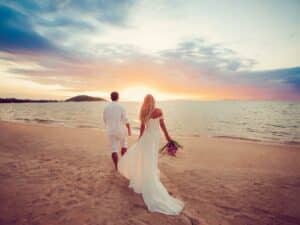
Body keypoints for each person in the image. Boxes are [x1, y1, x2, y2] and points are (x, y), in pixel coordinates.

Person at [118, 94, 184, 215]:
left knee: (145, 159)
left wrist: (139, 140)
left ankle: (144, 178)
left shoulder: (143, 112)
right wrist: (168, 137)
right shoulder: (159, 111)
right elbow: (162, 125)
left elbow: (142, 128)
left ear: (145, 102)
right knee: (151, 159)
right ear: (153, 101)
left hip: (147, 138)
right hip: (154, 138)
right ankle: (149, 180)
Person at [103, 91, 131, 170]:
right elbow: (125, 119)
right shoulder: (121, 107)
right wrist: (129, 129)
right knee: (124, 146)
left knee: (114, 149)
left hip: (111, 130)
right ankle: (124, 164)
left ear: (111, 97)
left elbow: (105, 120)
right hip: (121, 130)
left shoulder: (106, 108)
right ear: (118, 97)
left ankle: (116, 167)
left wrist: (109, 126)